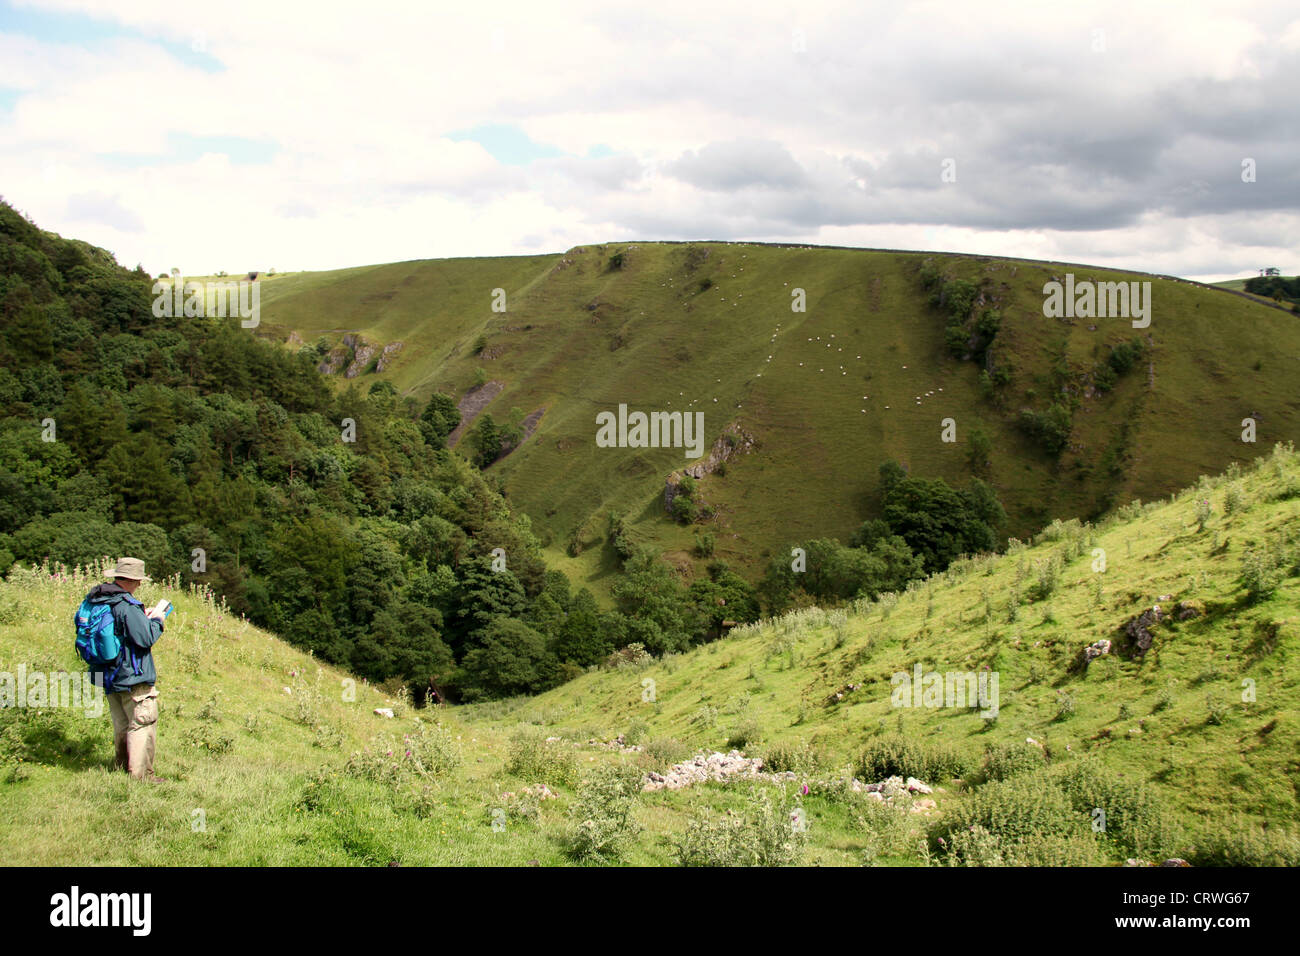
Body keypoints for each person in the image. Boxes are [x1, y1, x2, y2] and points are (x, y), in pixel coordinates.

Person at [83, 557, 166, 782]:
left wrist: (141, 617)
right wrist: (157, 620)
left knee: (121, 723)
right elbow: (145, 638)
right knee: (142, 723)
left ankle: (121, 767)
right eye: (138, 581)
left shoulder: (99, 599)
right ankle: (141, 776)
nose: (139, 585)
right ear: (132, 580)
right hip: (133, 675)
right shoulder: (126, 605)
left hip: (109, 674)